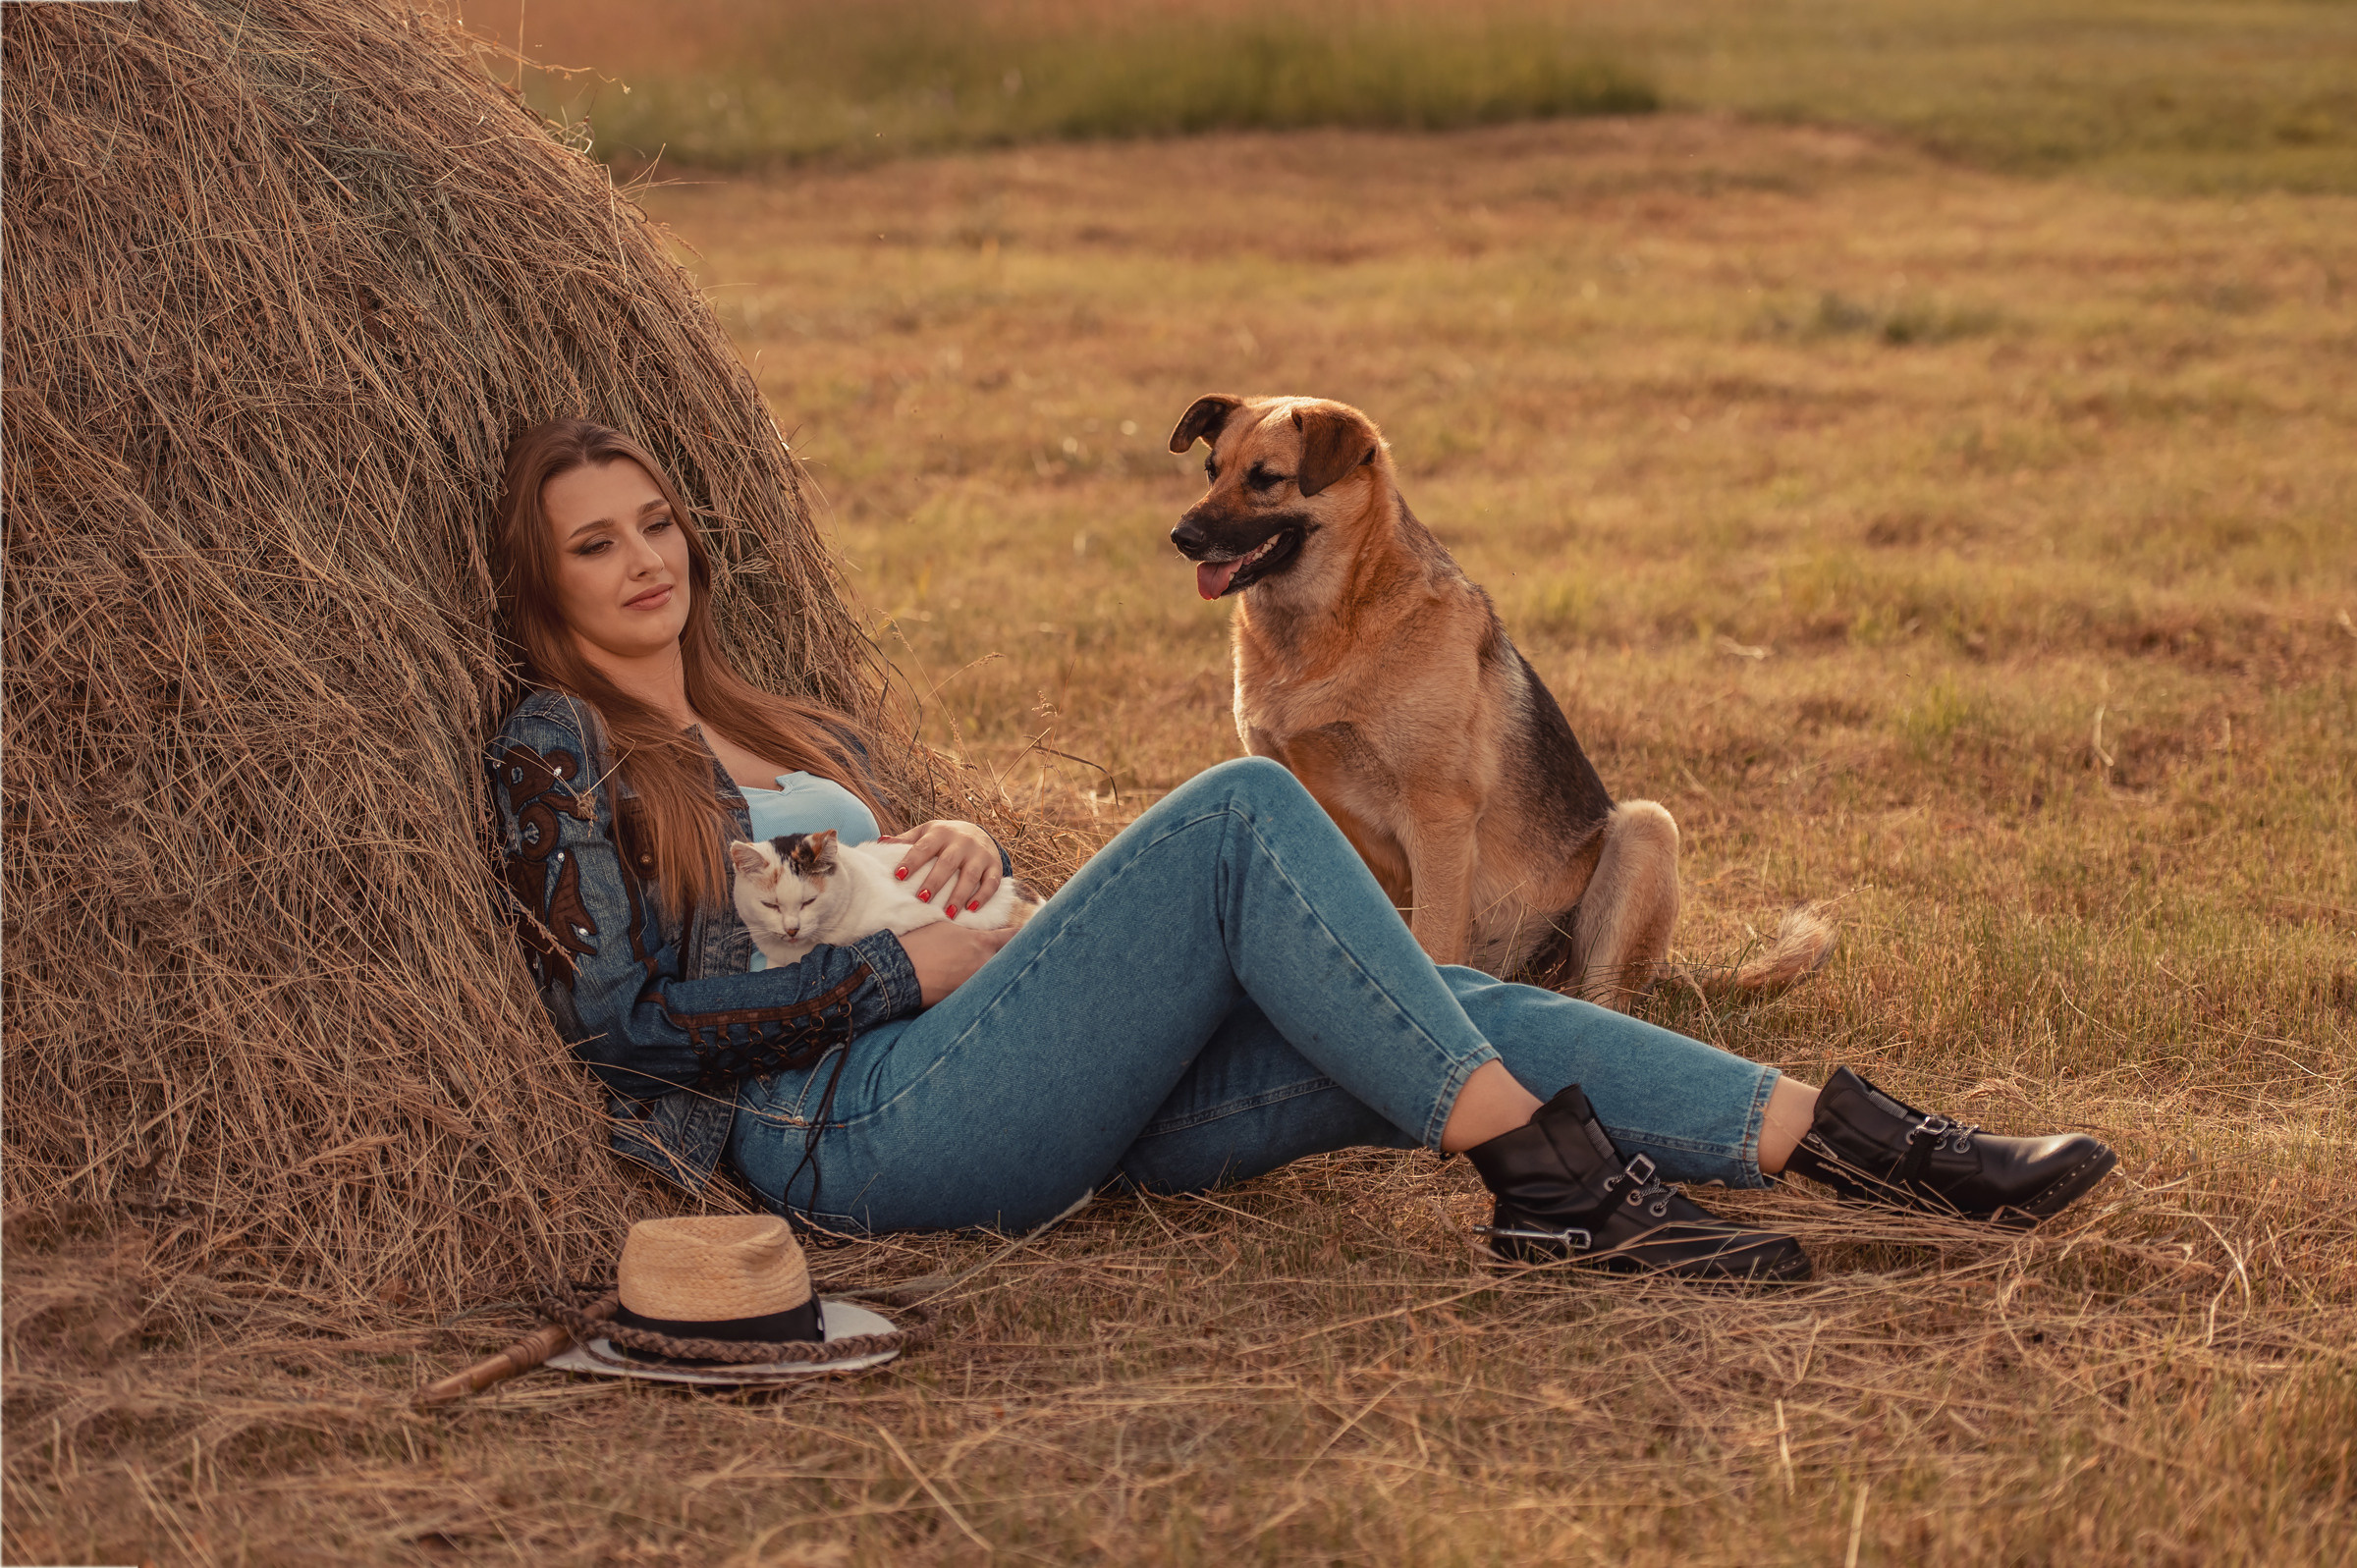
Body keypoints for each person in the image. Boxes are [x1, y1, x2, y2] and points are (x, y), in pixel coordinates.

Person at [486, 418, 2117, 1283]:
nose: (643, 559)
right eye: (592, 542)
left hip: (1008, 1068)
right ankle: (1548, 1186)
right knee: (1251, 809)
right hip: (854, 1123)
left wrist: (950, 851)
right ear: (540, 582)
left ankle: (1872, 1147)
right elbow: (616, 1033)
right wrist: (901, 960)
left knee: (1437, 1005)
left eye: (654, 521)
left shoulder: (767, 718)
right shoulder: (559, 745)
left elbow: (844, 867)